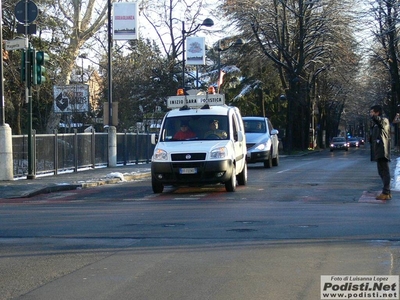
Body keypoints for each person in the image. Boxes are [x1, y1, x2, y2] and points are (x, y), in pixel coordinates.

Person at [370, 105, 391, 200]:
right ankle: (387, 191)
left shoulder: (384, 120)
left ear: (377, 112)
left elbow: (379, 121)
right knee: (381, 171)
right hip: (379, 149)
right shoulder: (377, 123)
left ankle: (386, 192)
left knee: (384, 171)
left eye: (372, 112)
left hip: (382, 149)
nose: (371, 114)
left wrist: (374, 117)